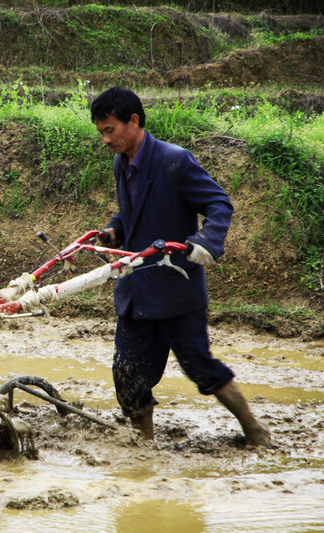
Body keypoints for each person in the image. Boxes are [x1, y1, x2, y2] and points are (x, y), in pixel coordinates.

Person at [89, 87, 272, 448]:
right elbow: (132, 212)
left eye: (110, 130)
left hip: (176, 289)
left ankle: (254, 429)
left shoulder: (175, 161)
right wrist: (114, 230)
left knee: (200, 366)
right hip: (136, 290)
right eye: (101, 133)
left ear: (134, 122)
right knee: (127, 375)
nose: (105, 139)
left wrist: (207, 241)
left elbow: (219, 204)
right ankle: (145, 445)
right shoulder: (121, 162)